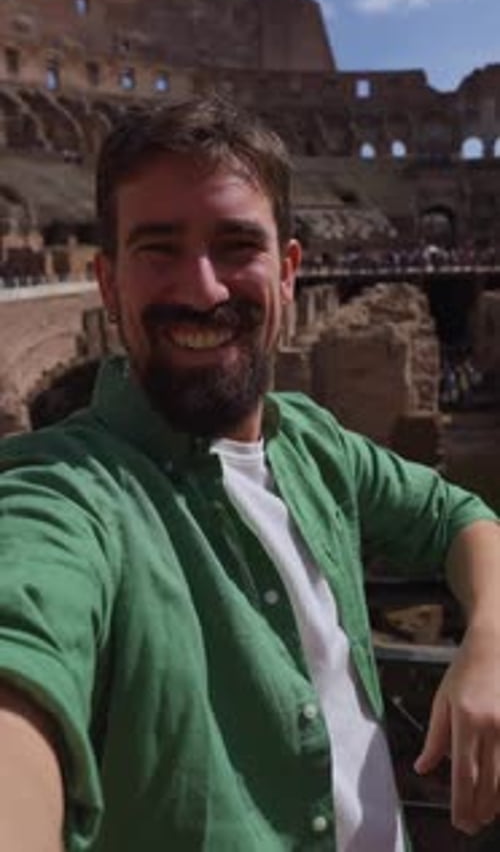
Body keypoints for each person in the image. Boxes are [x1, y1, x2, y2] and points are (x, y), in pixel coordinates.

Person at [0, 96, 498, 852]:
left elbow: (458, 516)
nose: (203, 288)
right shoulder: (64, 495)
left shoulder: (313, 443)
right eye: (159, 248)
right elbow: (24, 628)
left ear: (289, 270)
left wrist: (490, 637)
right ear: (107, 283)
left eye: (236, 245)